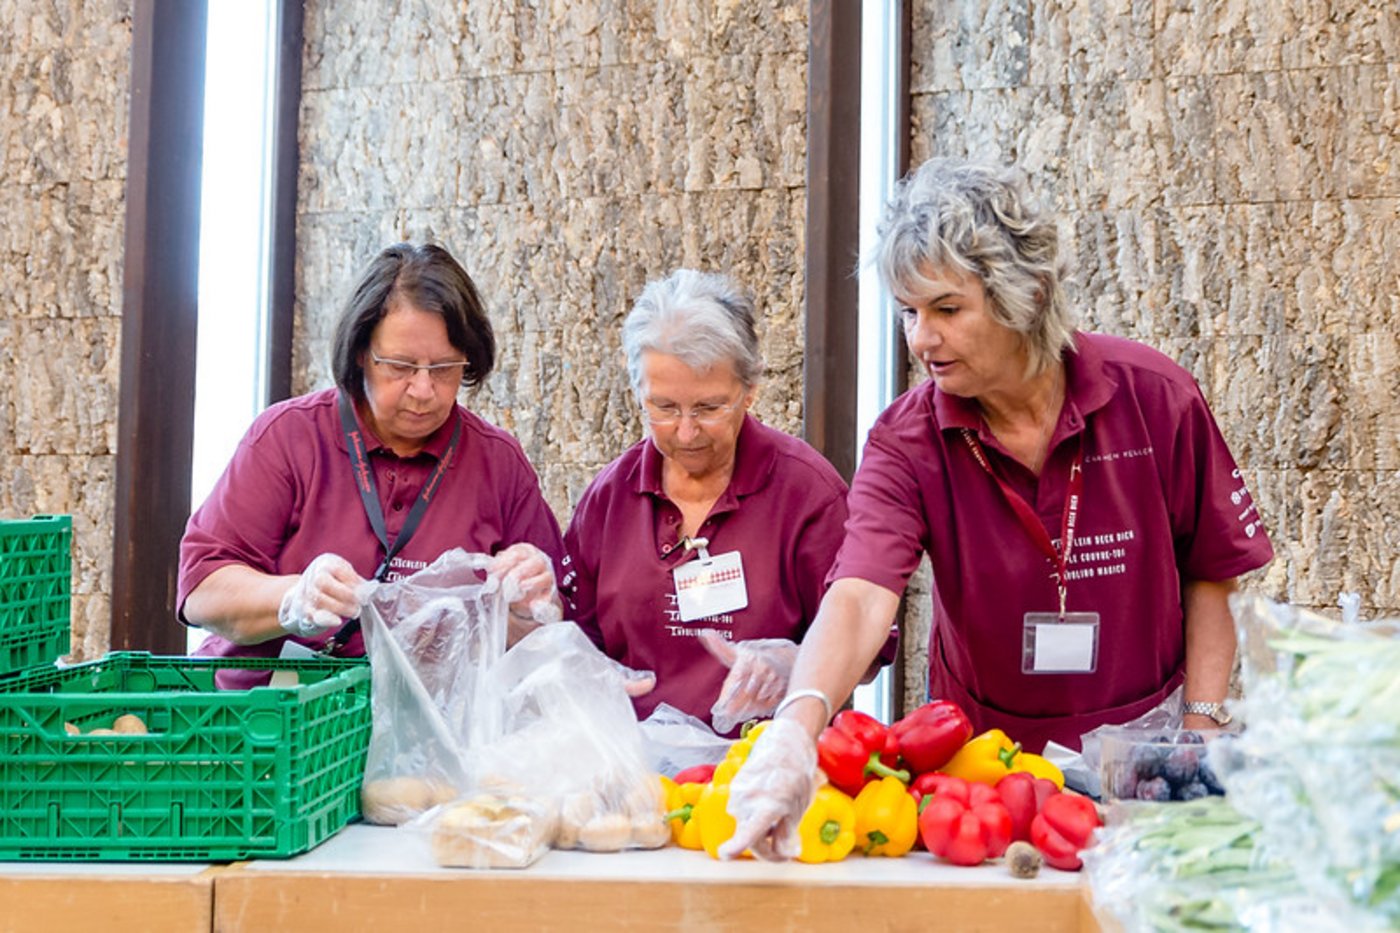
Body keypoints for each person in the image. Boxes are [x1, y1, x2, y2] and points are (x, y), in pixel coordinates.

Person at [721, 157, 1276, 859]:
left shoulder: (1155, 396)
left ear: (1029, 295)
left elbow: (1212, 572)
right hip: (983, 770)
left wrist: (1204, 732)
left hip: (1147, 752)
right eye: (908, 313)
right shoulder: (907, 438)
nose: (921, 339)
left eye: (947, 309)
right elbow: (860, 595)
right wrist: (795, 731)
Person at [178, 242, 565, 685]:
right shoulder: (289, 438)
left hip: (426, 727)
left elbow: (548, 626)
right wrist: (292, 598)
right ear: (361, 351)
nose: (422, 390)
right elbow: (201, 592)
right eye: (400, 366)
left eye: (443, 369)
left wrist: (528, 606)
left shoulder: (497, 462)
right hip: (269, 720)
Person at [561, 269, 889, 735]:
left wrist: (796, 663)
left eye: (710, 408)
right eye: (665, 408)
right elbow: (574, 634)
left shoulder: (806, 494)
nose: (687, 431)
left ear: (749, 390)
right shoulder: (609, 498)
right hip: (637, 772)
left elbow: (867, 647)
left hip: (763, 765)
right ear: (640, 394)